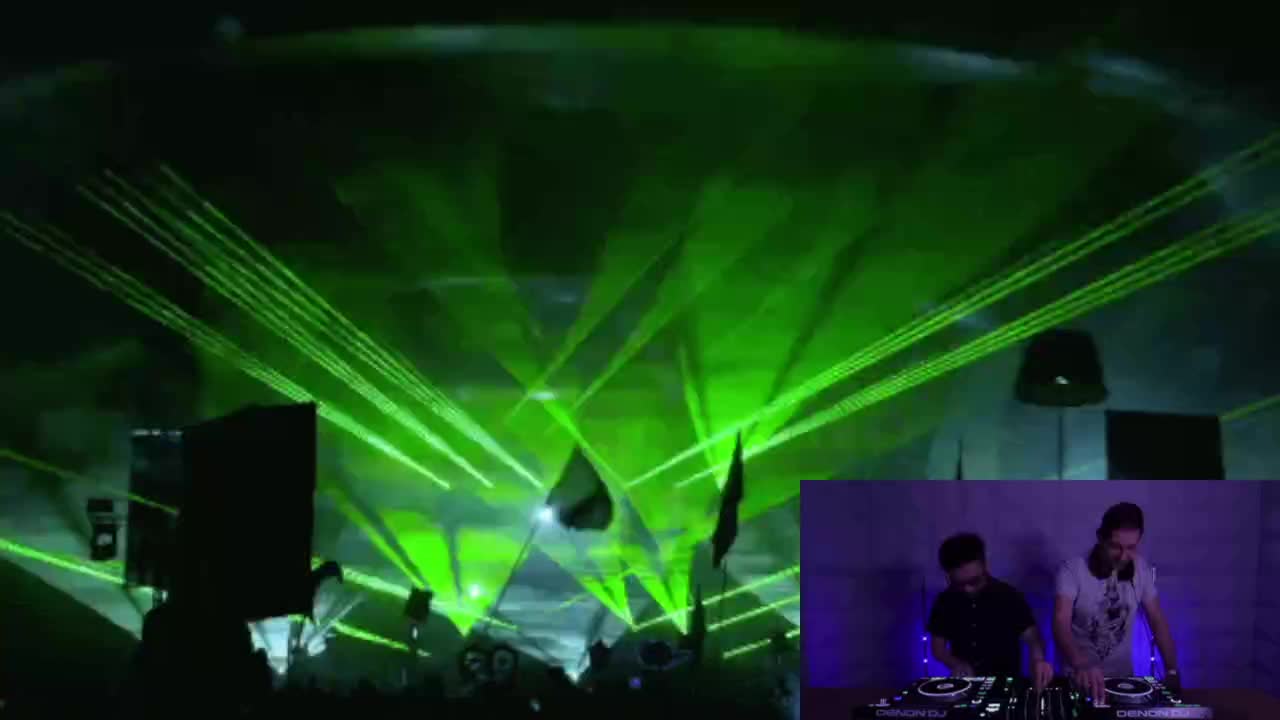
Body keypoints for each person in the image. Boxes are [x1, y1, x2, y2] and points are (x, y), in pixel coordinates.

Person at [1052, 502, 1179, 702]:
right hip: (1078, 679)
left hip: (1124, 683)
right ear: (1100, 538)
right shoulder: (1072, 570)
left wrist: (1172, 670)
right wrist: (1081, 664)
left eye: (1131, 548)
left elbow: (1157, 619)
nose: (1123, 556)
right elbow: (1060, 622)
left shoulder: (1141, 570)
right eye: (1115, 547)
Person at [927, 533, 1054, 690]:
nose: (968, 589)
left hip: (1006, 684)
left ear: (985, 565)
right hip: (965, 685)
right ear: (948, 575)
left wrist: (1038, 661)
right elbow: (938, 648)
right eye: (959, 584)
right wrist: (956, 663)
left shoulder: (1008, 596)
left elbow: (1033, 639)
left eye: (974, 581)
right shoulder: (944, 601)